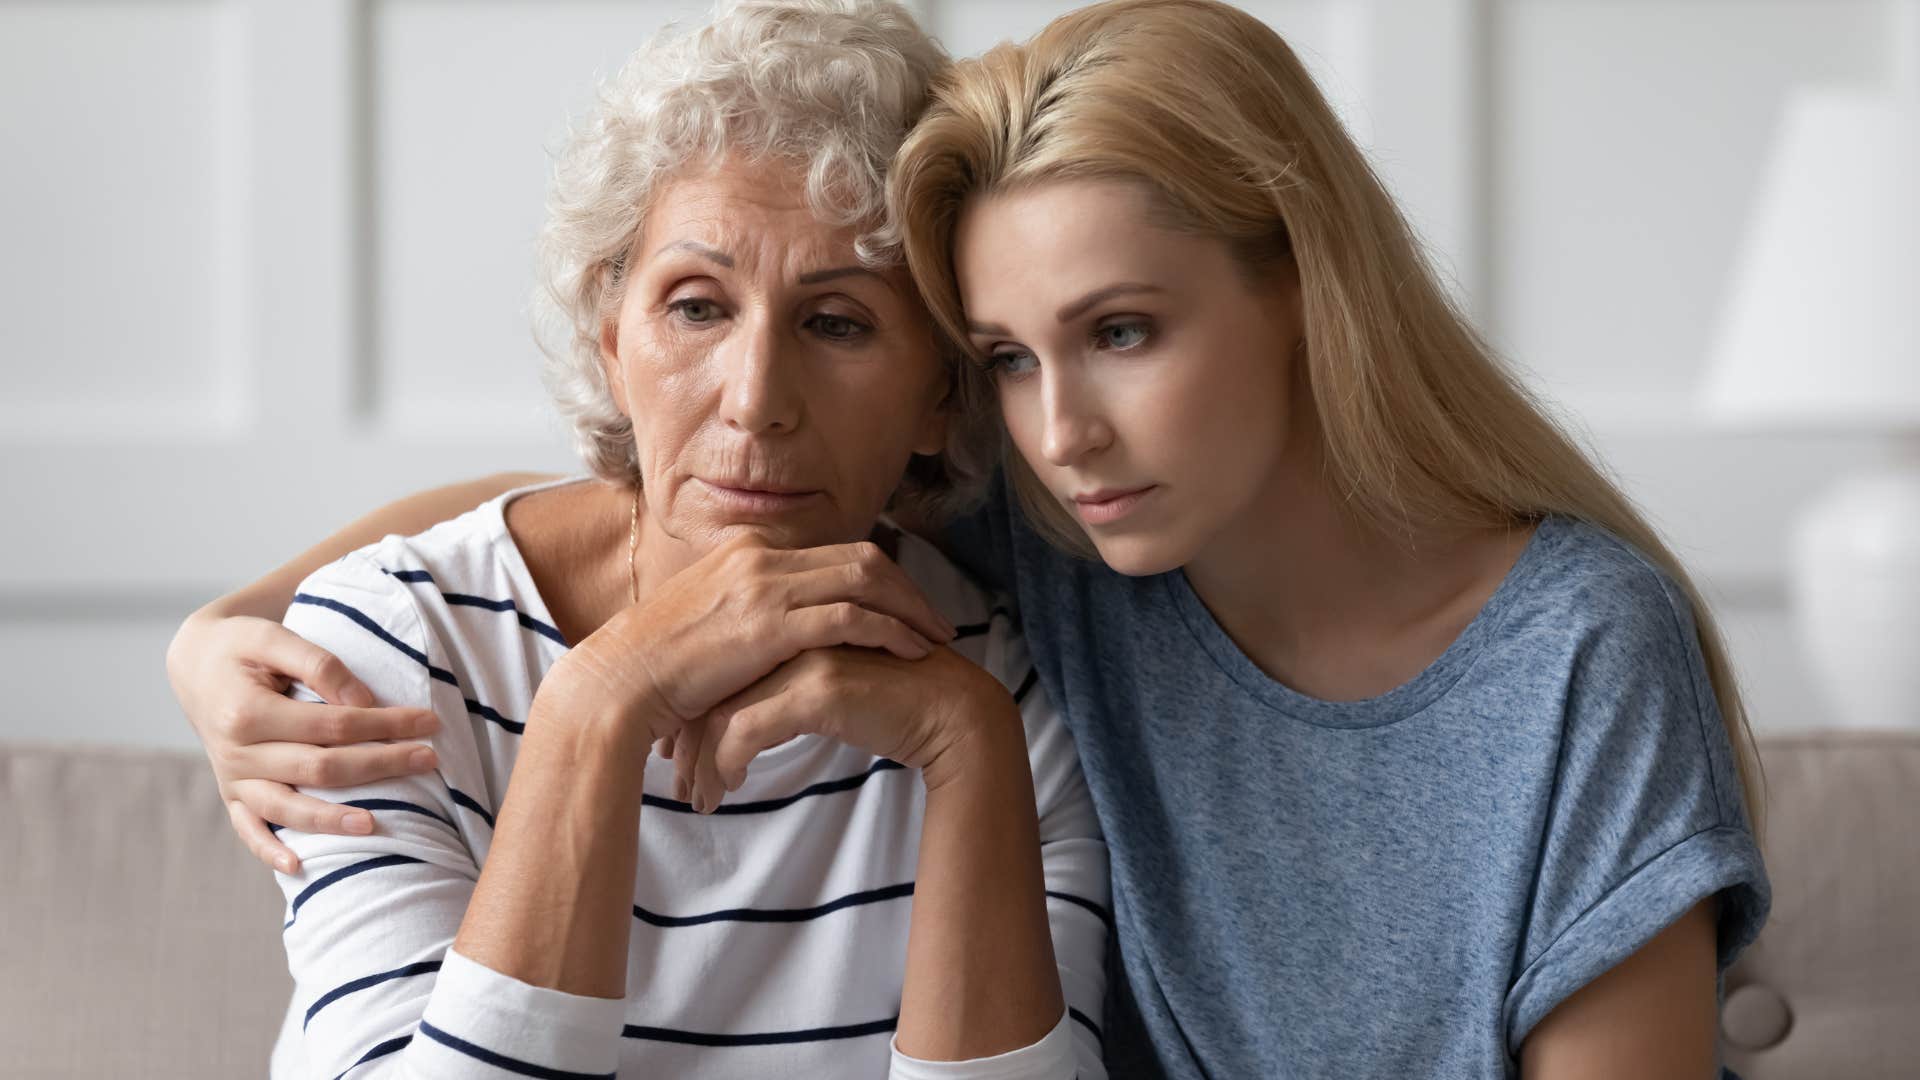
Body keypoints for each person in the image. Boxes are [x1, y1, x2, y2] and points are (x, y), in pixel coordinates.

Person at [169, 1, 1768, 1076]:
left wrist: (959, 734)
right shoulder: (1074, 535)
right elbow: (649, 501)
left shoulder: (1552, 648)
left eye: (1125, 330)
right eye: (1009, 356)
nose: (1061, 428)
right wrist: (225, 631)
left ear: (1306, 290)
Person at [186, 2, 1110, 1076]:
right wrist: (596, 707)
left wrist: (964, 742)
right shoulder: (393, 654)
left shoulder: (1002, 688)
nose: (757, 399)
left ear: (940, 398)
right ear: (610, 342)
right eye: (696, 307)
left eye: (838, 322)